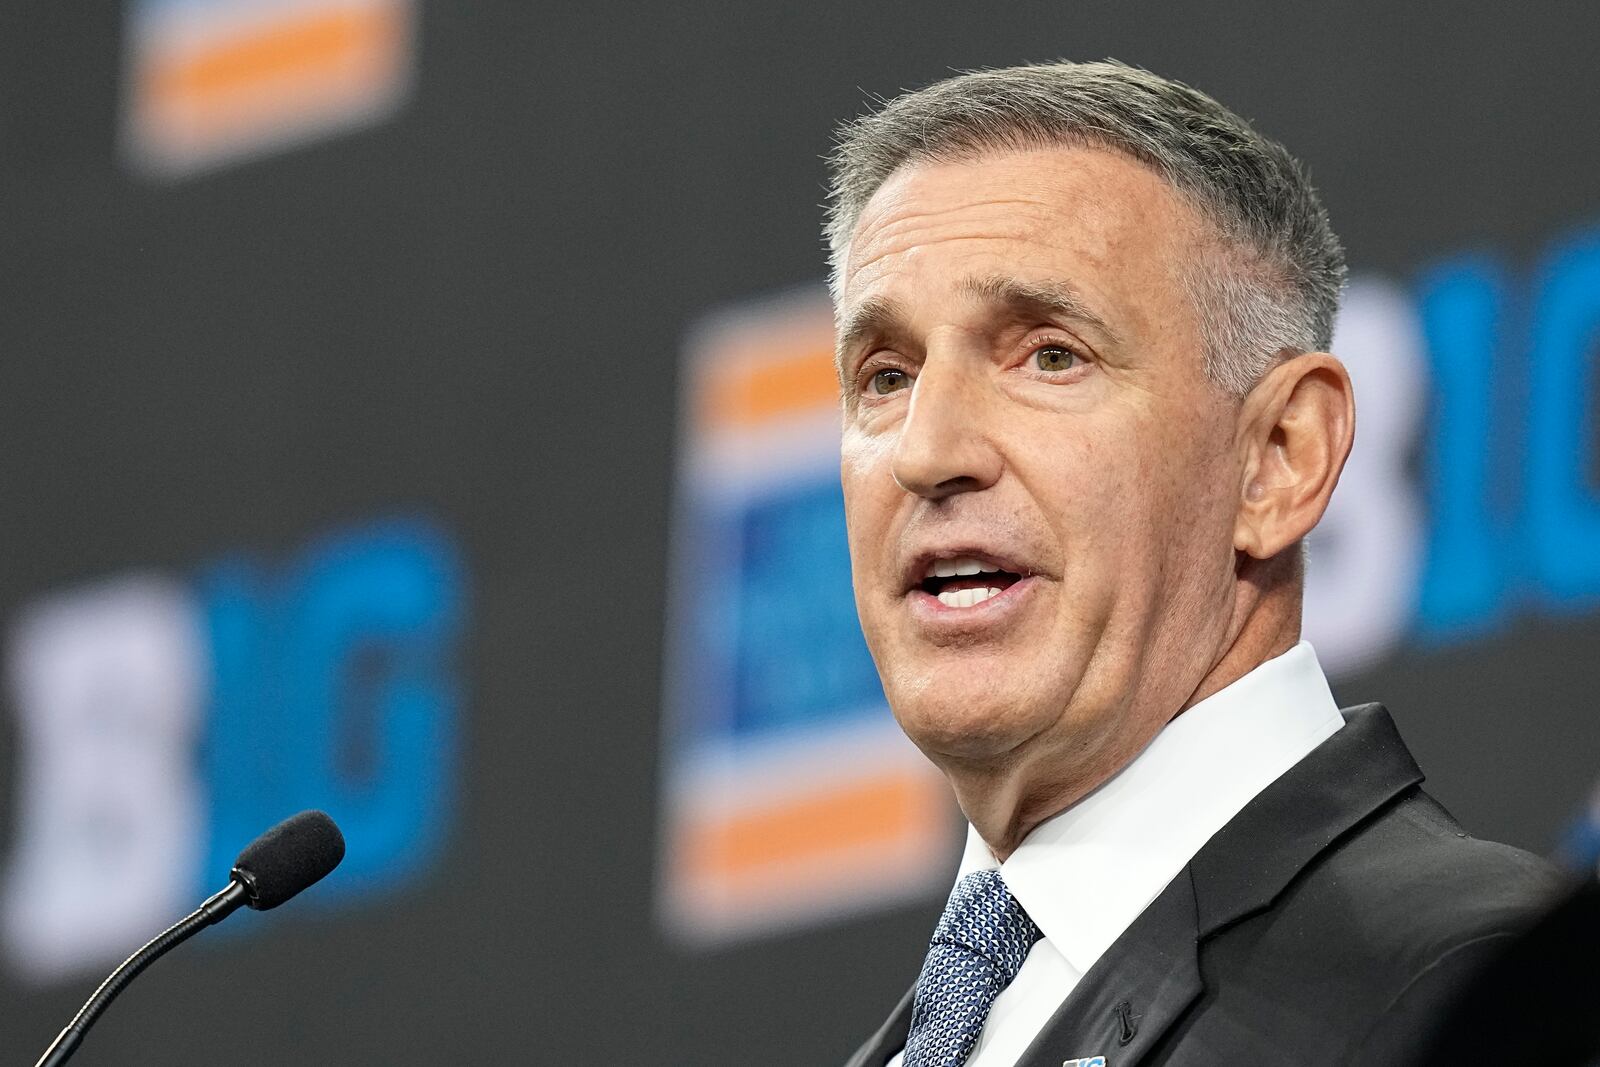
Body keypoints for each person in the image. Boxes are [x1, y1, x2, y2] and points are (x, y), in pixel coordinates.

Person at [825, 60, 1560, 1067]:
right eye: (886, 375)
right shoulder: (920, 1039)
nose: (926, 447)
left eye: (1049, 354)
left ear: (1278, 458)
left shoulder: (1487, 989)